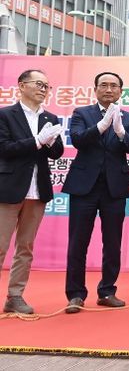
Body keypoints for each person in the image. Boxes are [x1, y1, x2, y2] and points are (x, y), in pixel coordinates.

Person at [62, 72, 129, 314]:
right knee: (78, 242)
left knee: (112, 243)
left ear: (120, 91)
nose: (108, 89)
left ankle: (107, 291)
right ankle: (76, 294)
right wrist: (101, 126)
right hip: (84, 186)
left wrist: (120, 132)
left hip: (114, 188)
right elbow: (77, 140)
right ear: (95, 89)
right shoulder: (82, 113)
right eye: (103, 85)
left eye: (113, 86)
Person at [0, 69, 64, 315]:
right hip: (9, 189)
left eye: (46, 86)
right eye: (38, 84)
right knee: (1, 245)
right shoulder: (5, 114)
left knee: (25, 248)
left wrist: (51, 142)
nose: (43, 89)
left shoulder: (50, 117)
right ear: (21, 85)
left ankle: (15, 296)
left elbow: (56, 153)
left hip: (37, 190)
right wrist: (37, 141)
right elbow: (4, 148)